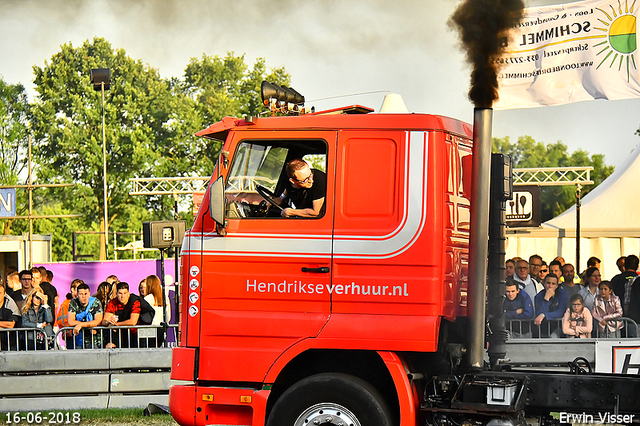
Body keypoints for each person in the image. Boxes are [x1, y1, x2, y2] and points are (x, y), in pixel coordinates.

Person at [102, 282, 140, 348]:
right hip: (119, 335)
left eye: (125, 293)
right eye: (120, 293)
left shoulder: (135, 302)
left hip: (134, 335)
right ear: (116, 294)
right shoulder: (113, 302)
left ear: (128, 294)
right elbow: (104, 321)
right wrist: (109, 321)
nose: (122, 296)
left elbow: (133, 322)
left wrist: (116, 324)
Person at [68, 283, 104, 349]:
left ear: (89, 294)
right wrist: (87, 324)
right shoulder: (73, 302)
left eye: (85, 294)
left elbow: (97, 321)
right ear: (77, 295)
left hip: (94, 339)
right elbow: (70, 321)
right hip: (79, 339)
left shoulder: (95, 302)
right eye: (81, 294)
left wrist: (80, 325)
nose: (83, 296)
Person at [56, 279, 82, 345]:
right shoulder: (66, 304)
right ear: (72, 289)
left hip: (83, 337)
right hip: (71, 338)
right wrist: (71, 332)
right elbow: (61, 321)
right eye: (78, 290)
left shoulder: (84, 303)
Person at [0, 284, 21, 351]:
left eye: (0, 293)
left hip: (9, 344)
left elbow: (10, 324)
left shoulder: (10, 305)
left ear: (4, 294)